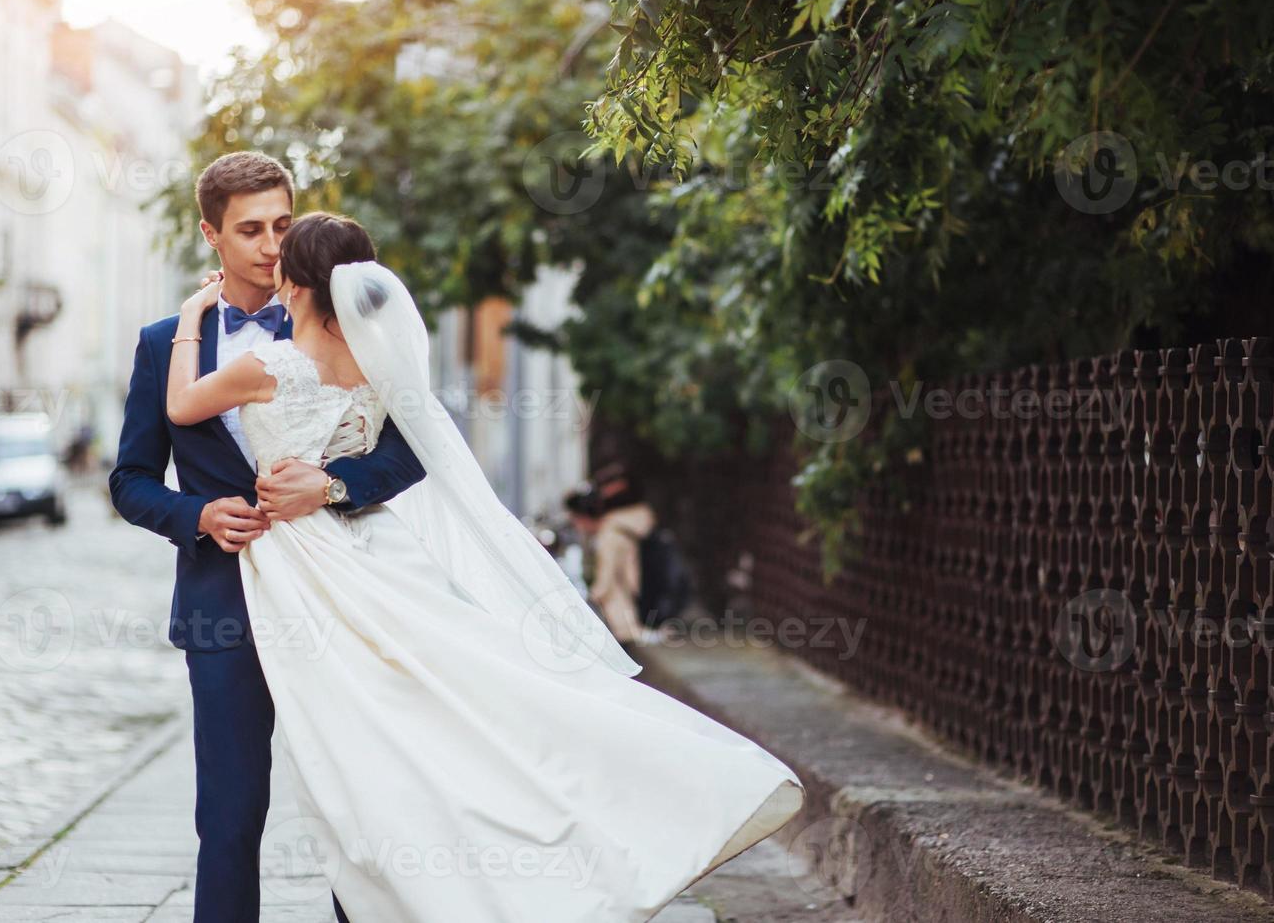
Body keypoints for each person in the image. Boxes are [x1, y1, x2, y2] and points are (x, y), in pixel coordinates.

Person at [161, 209, 806, 920]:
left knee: (351, 750)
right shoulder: (376, 368)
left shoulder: (268, 366)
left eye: (284, 251)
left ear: (300, 282)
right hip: (369, 561)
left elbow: (185, 405)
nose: (272, 263)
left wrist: (193, 312)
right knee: (422, 723)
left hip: (304, 567)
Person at [109, 152, 428, 923]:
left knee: (358, 807)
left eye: (283, 225)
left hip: (342, 598)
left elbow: (414, 447)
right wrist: (197, 517)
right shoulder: (164, 344)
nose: (270, 245)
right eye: (249, 229)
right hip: (225, 606)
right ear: (210, 235)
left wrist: (334, 484)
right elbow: (130, 479)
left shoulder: (344, 324)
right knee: (228, 816)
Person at [565, 464, 663, 646]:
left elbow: (605, 581)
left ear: (584, 517)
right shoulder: (626, 527)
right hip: (638, 604)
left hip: (623, 619)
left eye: (575, 520)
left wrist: (584, 601)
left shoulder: (609, 535)